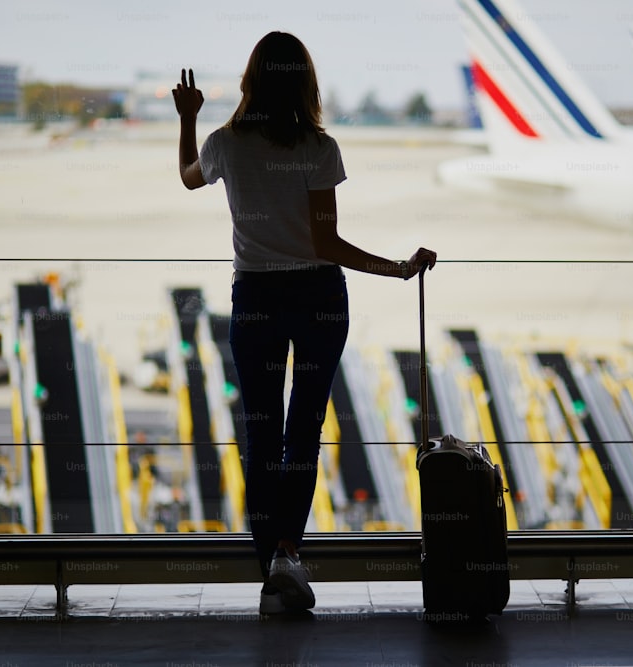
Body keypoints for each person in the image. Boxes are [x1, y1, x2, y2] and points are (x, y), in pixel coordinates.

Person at [173, 32, 437, 615]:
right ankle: (289, 552)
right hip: (318, 296)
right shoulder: (321, 148)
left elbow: (190, 176)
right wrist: (394, 269)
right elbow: (326, 242)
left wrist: (188, 118)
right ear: (305, 85)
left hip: (257, 297)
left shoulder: (225, 143)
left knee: (262, 431)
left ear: (251, 82)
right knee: (305, 427)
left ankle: (272, 558)